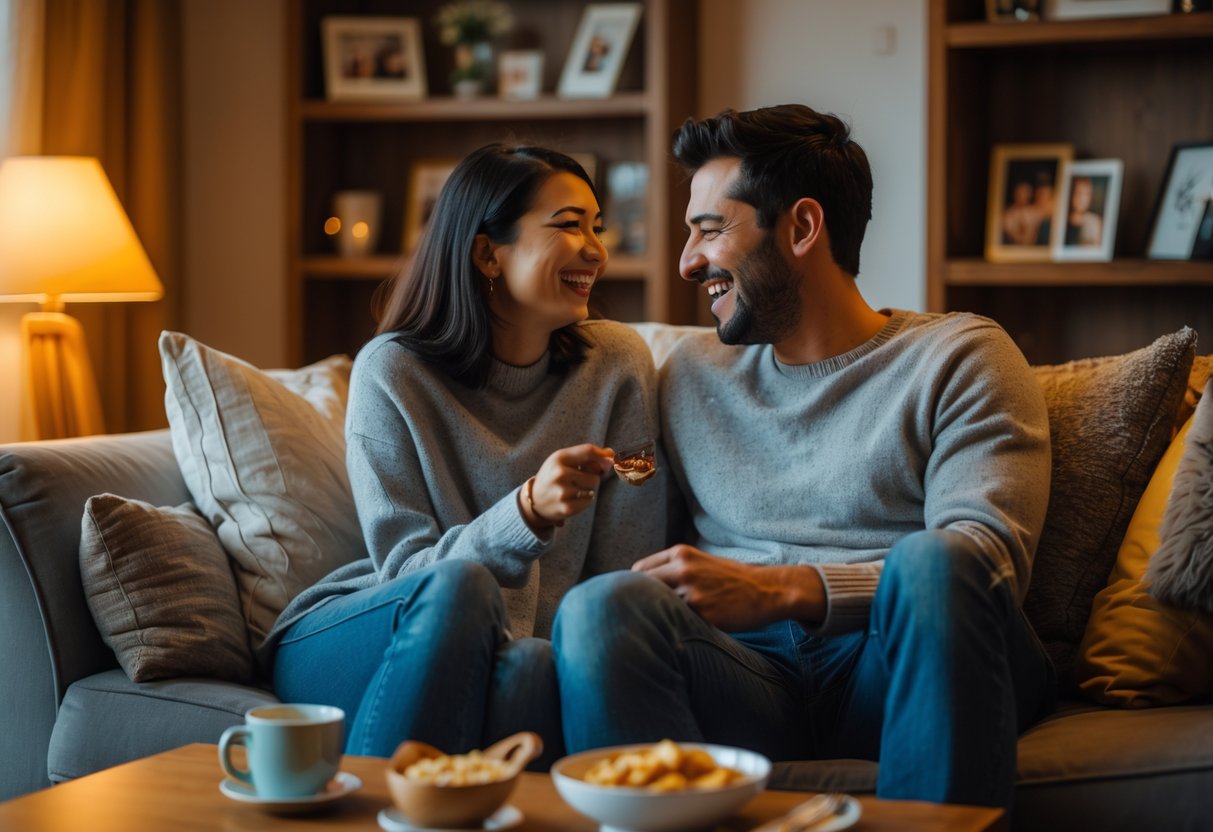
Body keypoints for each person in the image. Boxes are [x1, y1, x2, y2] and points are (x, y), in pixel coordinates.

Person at [551, 105, 1056, 809]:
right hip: (748, 678)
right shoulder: (686, 374)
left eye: (709, 230)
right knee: (602, 608)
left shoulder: (958, 356)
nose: (687, 262)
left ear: (800, 228)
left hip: (899, 657)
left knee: (938, 561)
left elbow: (989, 560)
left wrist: (784, 589)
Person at [263, 143, 674, 765]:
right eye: (569, 225)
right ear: (487, 252)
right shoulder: (393, 370)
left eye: (598, 227)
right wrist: (527, 513)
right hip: (376, 625)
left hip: (507, 643)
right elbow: (409, 575)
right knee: (460, 589)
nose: (596, 248)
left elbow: (619, 577)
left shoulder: (617, 365)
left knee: (533, 665)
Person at [1063, 176, 1103, 246]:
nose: (1082, 199)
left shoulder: (1095, 222)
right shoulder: (1060, 221)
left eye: (1087, 194)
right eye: (1078, 193)